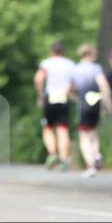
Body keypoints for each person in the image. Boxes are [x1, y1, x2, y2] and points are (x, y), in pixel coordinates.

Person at [71, 44, 112, 177]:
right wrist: (108, 103)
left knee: (84, 135)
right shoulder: (96, 68)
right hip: (95, 103)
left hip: (83, 104)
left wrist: (76, 99)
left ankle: (90, 165)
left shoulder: (76, 69)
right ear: (90, 54)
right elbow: (103, 85)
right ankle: (96, 156)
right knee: (93, 131)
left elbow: (69, 89)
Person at [34, 41, 75, 171]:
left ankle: (52, 154)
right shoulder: (70, 64)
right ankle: (64, 159)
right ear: (63, 51)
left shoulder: (46, 63)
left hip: (50, 98)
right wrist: (70, 93)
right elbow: (73, 82)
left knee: (47, 127)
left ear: (52, 51)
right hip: (64, 98)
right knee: (63, 129)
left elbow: (38, 79)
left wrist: (40, 96)